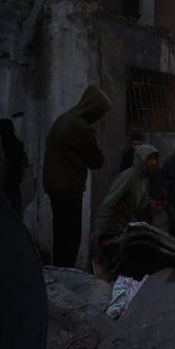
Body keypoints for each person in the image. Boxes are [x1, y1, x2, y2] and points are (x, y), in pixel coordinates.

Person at [42, 84, 110, 267]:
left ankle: (59, 273)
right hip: (69, 189)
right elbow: (97, 160)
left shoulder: (64, 119)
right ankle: (67, 277)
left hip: (55, 188)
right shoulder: (81, 127)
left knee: (61, 237)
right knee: (71, 239)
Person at [91, 144, 160, 274]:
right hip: (112, 232)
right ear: (141, 159)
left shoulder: (143, 180)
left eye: (155, 159)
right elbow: (109, 202)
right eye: (149, 159)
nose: (154, 162)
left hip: (124, 230)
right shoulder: (128, 177)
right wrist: (99, 228)